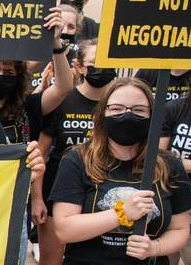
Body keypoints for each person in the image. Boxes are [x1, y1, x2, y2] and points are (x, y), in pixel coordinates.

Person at [51, 77, 191, 264]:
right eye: (117, 108)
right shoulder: (77, 159)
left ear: (151, 115)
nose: (127, 115)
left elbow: (180, 229)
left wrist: (155, 248)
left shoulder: (169, 164)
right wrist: (122, 213)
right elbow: (64, 230)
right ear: (103, 112)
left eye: (138, 110)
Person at [34, 38, 117, 265]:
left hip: (102, 192)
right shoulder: (62, 100)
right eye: (94, 63)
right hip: (57, 189)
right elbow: (41, 152)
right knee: (50, 259)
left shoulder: (119, 105)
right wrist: (37, 198)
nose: (101, 69)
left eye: (108, 63)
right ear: (79, 67)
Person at [0, 7, 73, 144]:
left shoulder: (29, 106)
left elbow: (63, 88)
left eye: (9, 72)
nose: (1, 76)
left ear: (17, 77)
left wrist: (55, 43)